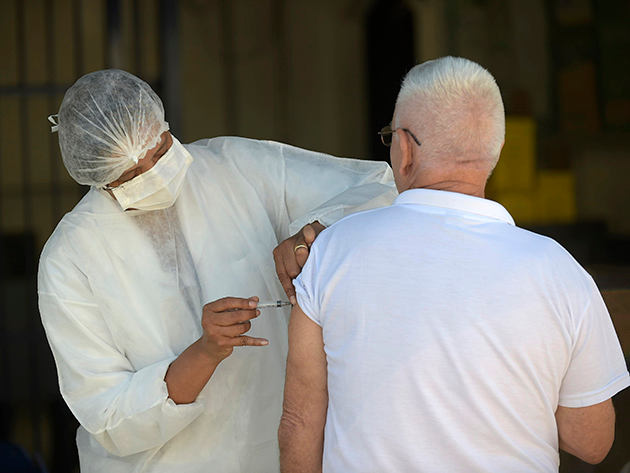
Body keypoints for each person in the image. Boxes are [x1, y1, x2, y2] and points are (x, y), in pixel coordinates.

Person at [279, 56, 630, 472]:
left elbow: (299, 425)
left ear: (405, 149)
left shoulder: (332, 252)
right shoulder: (559, 270)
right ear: (495, 150)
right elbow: (592, 441)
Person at [37, 69, 397, 473]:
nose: (154, 173)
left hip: (274, 453)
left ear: (163, 125)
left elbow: (380, 189)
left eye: (160, 152)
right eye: (132, 174)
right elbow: (107, 417)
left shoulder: (236, 167)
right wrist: (205, 352)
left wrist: (318, 233)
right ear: (99, 178)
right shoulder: (69, 258)